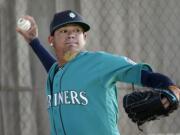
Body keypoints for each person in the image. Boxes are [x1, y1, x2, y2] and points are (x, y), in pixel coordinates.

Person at [16, 10, 180, 135]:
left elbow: (143, 75)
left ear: (85, 37)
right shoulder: (56, 71)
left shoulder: (101, 62)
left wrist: (170, 88)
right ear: (51, 40)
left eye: (77, 30)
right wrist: (33, 41)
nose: (72, 34)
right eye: (64, 31)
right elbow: (58, 67)